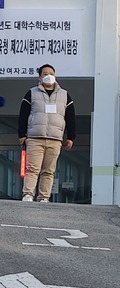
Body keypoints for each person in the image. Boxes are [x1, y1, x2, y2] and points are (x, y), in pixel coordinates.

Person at [18, 64, 76, 203]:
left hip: (55, 139)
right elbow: (23, 114)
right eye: (45, 73)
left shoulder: (64, 95)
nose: (48, 76)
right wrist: (22, 134)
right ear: (39, 77)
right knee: (32, 168)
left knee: (49, 170)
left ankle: (44, 197)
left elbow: (70, 117)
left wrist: (70, 137)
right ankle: (28, 194)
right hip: (34, 137)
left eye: (51, 73)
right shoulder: (31, 93)